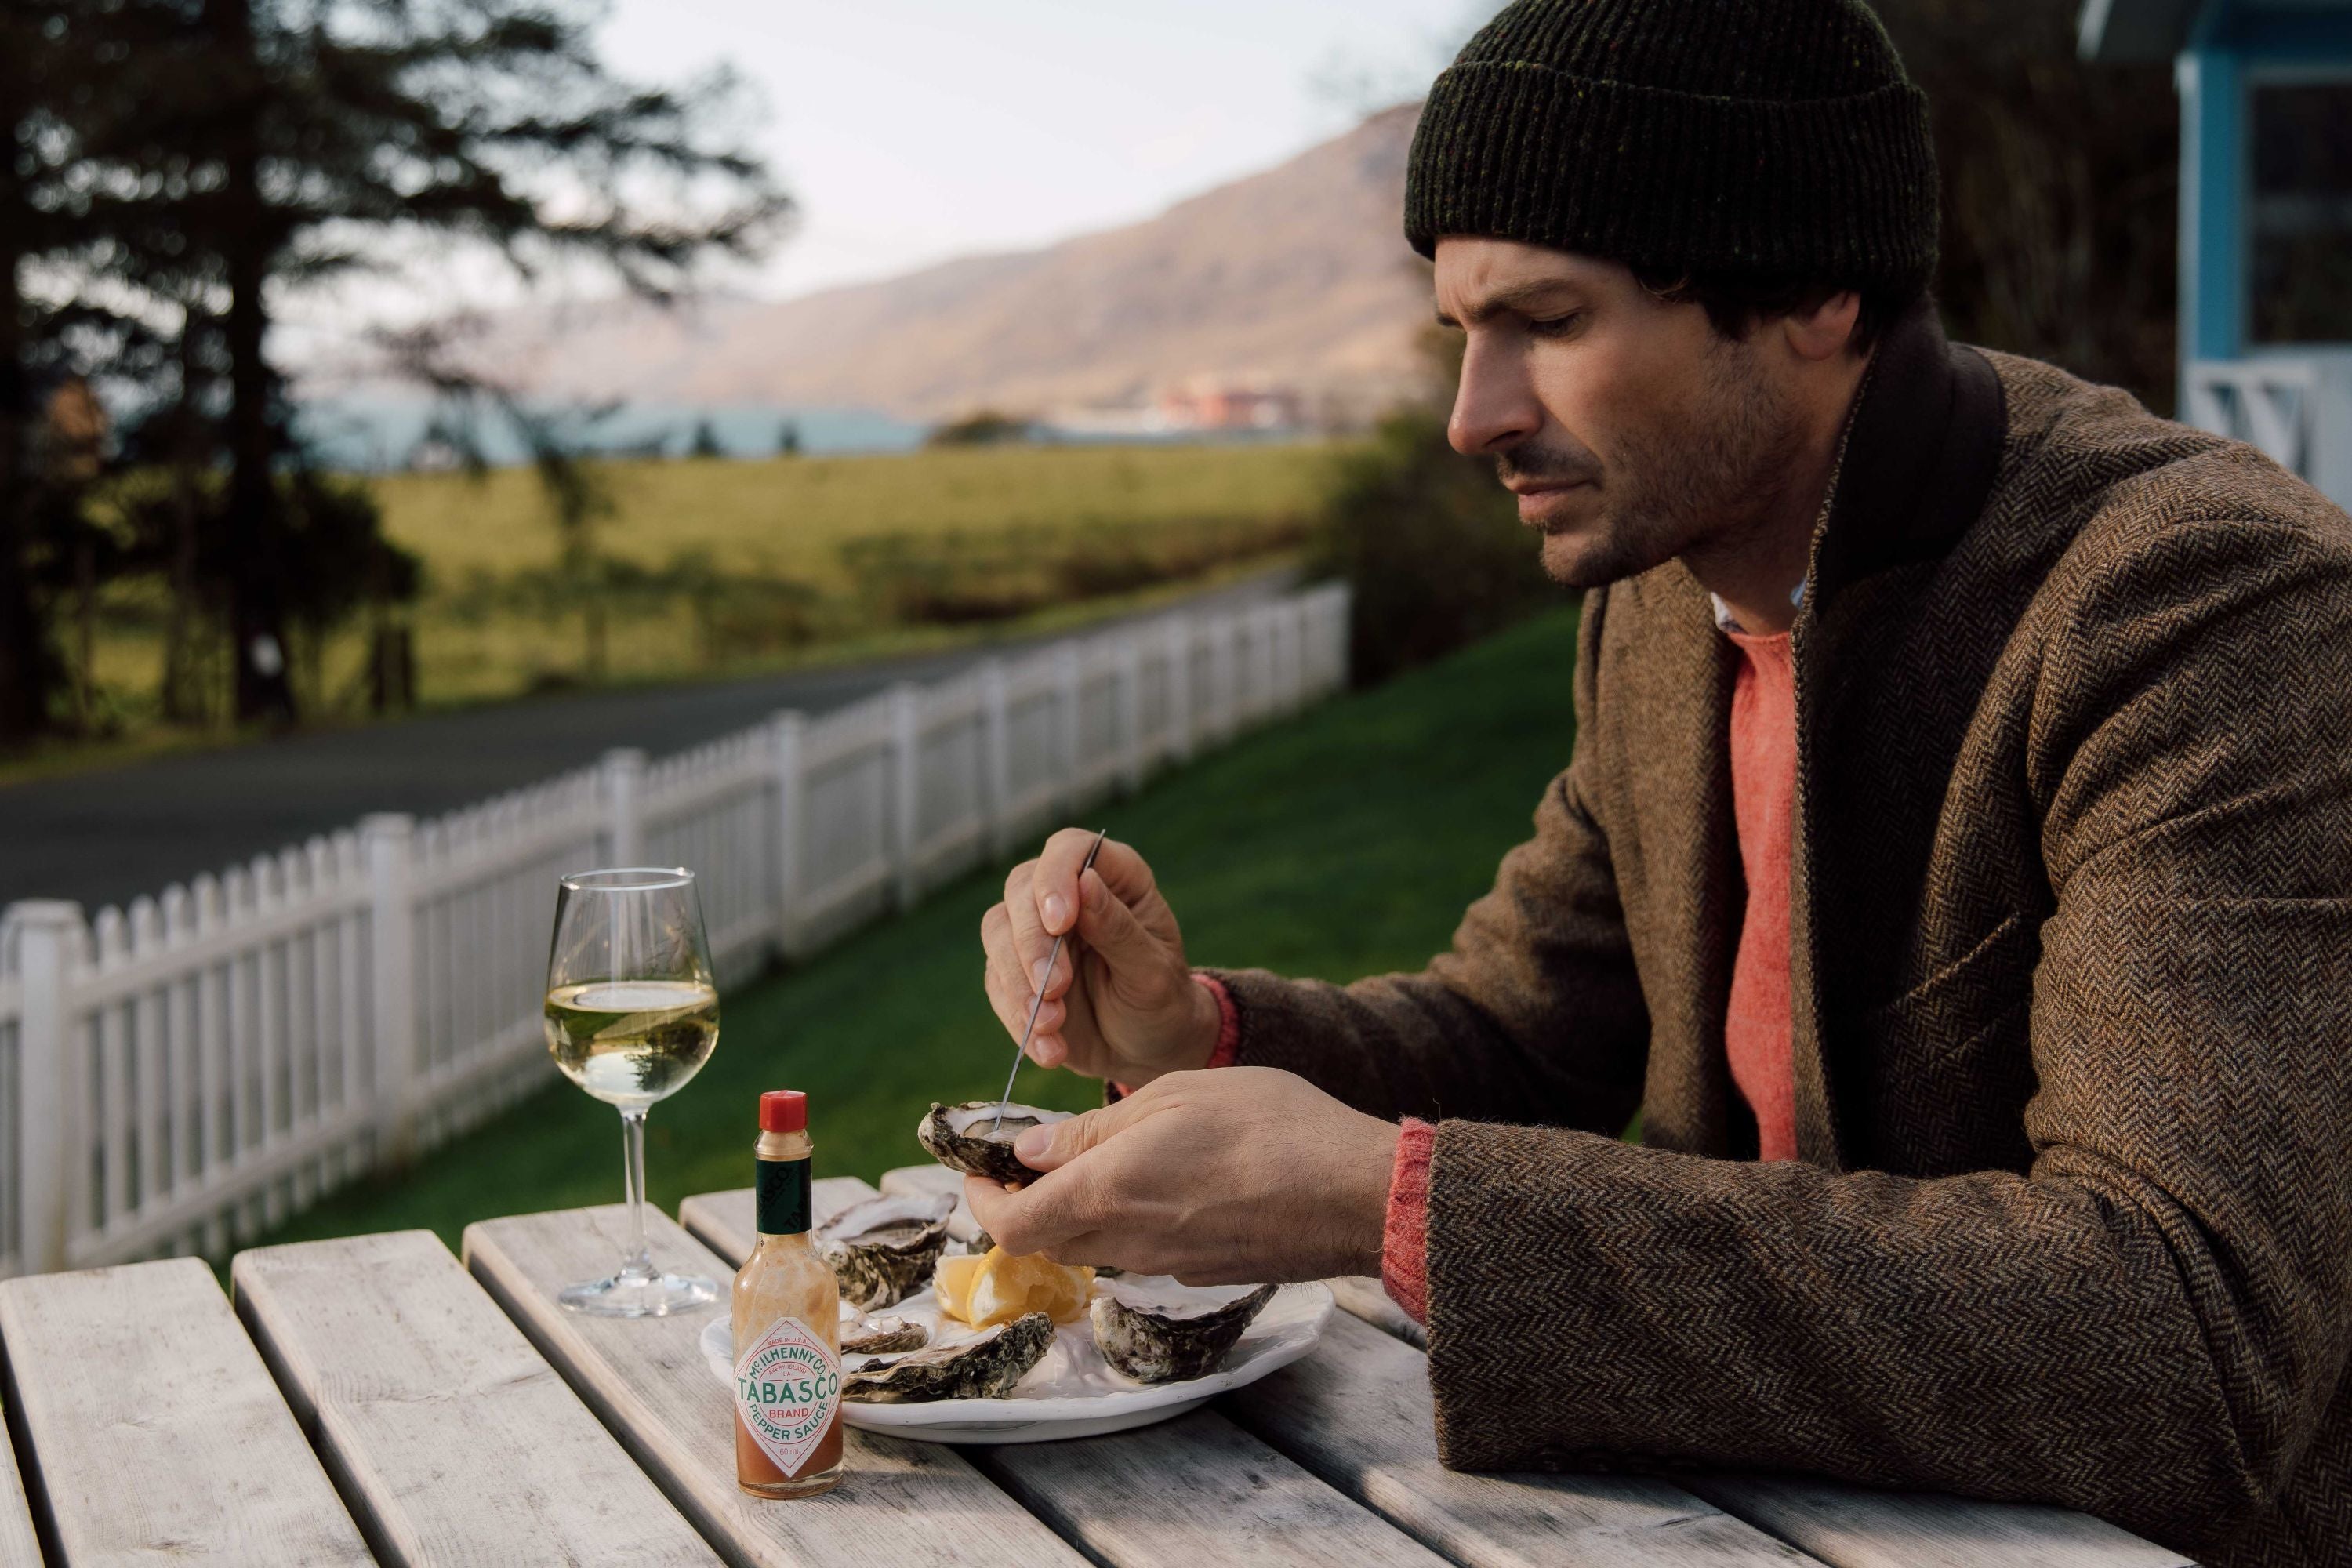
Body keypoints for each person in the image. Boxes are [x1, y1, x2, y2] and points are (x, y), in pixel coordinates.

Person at [971, 2, 2352, 1563]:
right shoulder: (1658, 593)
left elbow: (2181, 1337)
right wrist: (1194, 1032)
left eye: (1548, 323)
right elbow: (1515, 1036)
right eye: (1463, 334)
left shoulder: (2204, 611)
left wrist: (1398, 1204)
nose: (1471, 414)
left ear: (1819, 292)